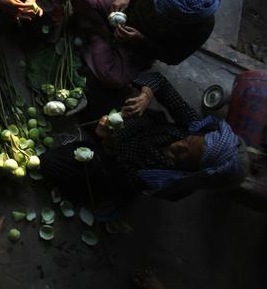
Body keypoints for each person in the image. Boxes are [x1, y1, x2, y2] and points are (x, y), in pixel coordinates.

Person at [42, 72, 247, 204]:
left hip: (110, 161)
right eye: (188, 141)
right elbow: (161, 82)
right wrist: (145, 96)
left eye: (186, 154)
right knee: (89, 82)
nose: (181, 144)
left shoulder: (168, 183)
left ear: (195, 172)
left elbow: (122, 175)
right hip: (123, 119)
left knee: (51, 164)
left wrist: (108, 141)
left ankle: (89, 145)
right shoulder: (193, 128)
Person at [73, 0, 220, 89]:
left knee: (113, 79)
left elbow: (173, 57)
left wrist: (140, 40)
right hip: (122, 11)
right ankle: (101, 42)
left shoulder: (202, 27)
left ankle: (96, 36)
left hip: (137, 48)